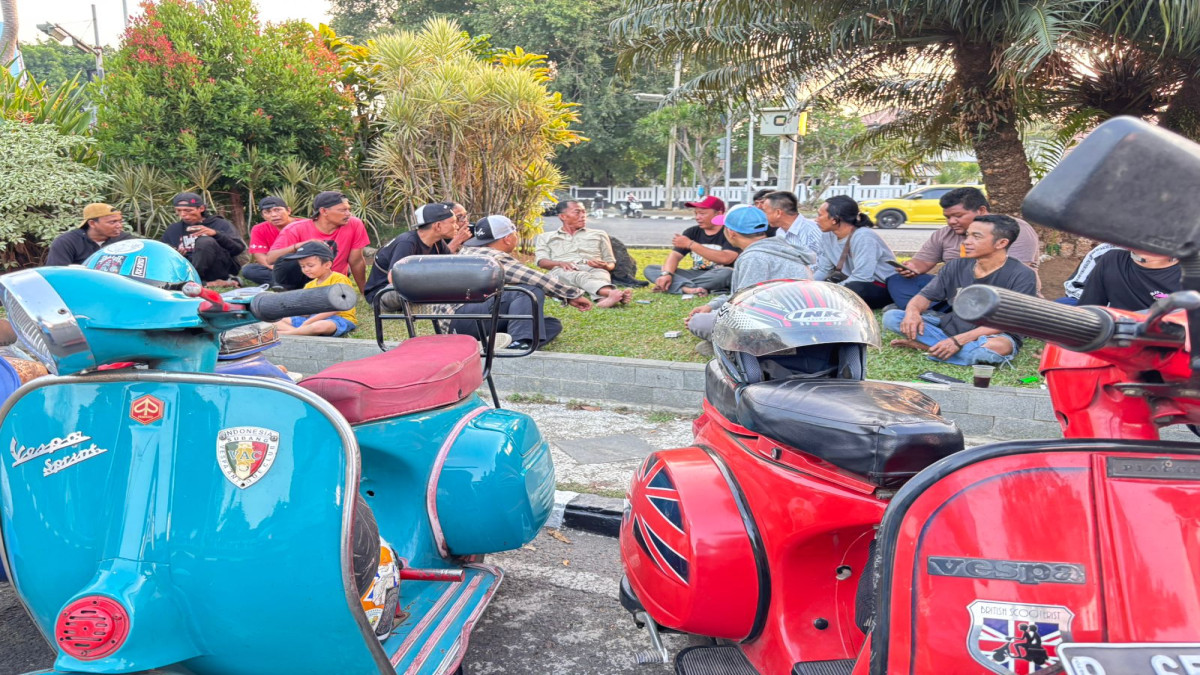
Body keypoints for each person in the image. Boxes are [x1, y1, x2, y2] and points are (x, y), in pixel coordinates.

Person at [883, 214, 1037, 366]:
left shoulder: (1022, 275)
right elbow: (924, 296)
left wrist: (959, 340)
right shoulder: (956, 266)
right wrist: (912, 312)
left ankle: (930, 347)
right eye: (967, 235)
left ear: (1001, 243)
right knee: (892, 317)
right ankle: (947, 348)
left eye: (976, 237)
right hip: (952, 327)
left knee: (989, 352)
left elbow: (1009, 323)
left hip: (993, 335)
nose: (967, 242)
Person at [451, 215, 594, 351]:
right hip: (466, 321)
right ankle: (518, 344)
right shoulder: (492, 257)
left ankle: (493, 342)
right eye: (515, 234)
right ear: (507, 239)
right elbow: (534, 278)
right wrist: (572, 295)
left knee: (550, 325)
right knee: (530, 290)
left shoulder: (469, 250)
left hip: (460, 322)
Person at [886, 187, 1041, 309]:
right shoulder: (944, 234)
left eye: (958, 216)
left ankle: (936, 313)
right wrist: (912, 267)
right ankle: (939, 311)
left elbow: (1017, 276)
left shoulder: (1013, 229)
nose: (951, 222)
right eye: (947, 217)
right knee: (898, 281)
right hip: (955, 293)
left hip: (997, 295)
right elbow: (922, 262)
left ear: (981, 211)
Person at [686, 206, 814, 348]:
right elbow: (740, 295)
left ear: (731, 232)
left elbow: (745, 306)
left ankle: (742, 346)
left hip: (777, 327)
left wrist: (713, 314)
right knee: (709, 319)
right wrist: (711, 306)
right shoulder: (781, 246)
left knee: (698, 322)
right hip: (799, 321)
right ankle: (729, 343)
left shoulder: (754, 258)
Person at [266, 191, 370, 293]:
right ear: (324, 211)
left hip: (333, 282)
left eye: (348, 209)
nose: (348, 214)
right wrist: (299, 246)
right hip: (304, 281)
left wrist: (365, 292)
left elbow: (356, 261)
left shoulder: (354, 224)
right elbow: (271, 259)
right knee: (291, 260)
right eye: (342, 210)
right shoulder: (295, 229)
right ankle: (288, 292)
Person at [534, 201, 630, 308]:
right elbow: (541, 262)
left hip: (594, 268)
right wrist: (560, 263)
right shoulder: (545, 237)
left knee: (601, 276)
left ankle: (604, 300)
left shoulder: (599, 234)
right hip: (563, 270)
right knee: (580, 276)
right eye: (577, 212)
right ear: (563, 216)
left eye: (584, 212)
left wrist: (604, 266)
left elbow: (610, 263)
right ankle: (611, 293)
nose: (583, 216)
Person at [363, 202, 459, 306]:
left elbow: (452, 268)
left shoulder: (437, 242)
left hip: (412, 289)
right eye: (453, 222)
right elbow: (394, 279)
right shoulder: (407, 242)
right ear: (438, 226)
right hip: (383, 293)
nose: (457, 226)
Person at [644, 195, 741, 295]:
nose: (697, 217)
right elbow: (675, 255)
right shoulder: (692, 232)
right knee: (651, 269)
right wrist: (667, 274)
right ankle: (691, 289)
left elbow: (726, 258)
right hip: (694, 274)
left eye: (702, 213)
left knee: (728, 273)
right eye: (696, 213)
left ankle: (679, 287)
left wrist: (690, 244)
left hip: (718, 274)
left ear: (719, 214)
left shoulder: (730, 232)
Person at [813, 195, 897, 308]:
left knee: (855, 288)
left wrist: (829, 292)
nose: (816, 219)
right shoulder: (827, 235)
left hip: (879, 287)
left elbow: (862, 277)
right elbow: (824, 270)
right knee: (820, 287)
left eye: (820, 215)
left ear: (834, 219)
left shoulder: (864, 237)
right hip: (851, 282)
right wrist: (809, 287)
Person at [161, 192, 246, 285]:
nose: (183, 214)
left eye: (188, 210)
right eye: (178, 210)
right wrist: (176, 253)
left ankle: (192, 281)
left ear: (201, 208)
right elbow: (164, 253)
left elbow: (238, 249)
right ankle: (204, 283)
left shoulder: (220, 224)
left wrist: (215, 234)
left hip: (218, 268)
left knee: (205, 241)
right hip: (188, 268)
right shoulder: (174, 229)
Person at [273, 242, 357, 337]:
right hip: (311, 319)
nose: (306, 269)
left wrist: (308, 322)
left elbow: (337, 308)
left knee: (319, 326)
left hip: (338, 318)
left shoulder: (339, 279)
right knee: (276, 321)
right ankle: (299, 332)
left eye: (310, 265)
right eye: (302, 266)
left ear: (327, 265)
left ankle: (290, 333)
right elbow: (306, 309)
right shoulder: (309, 285)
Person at [1078, 248, 1182, 311]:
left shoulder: (1191, 273)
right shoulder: (1113, 260)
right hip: (1118, 338)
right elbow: (1088, 312)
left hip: (1169, 342)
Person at [45, 203, 134, 266]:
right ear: (92, 223)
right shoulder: (67, 242)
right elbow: (57, 275)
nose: (119, 226)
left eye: (120, 221)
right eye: (112, 222)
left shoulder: (126, 241)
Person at [239, 196, 295, 286]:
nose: (274, 215)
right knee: (249, 270)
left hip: (303, 265)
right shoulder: (259, 229)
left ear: (288, 210)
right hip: (277, 266)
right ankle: (287, 283)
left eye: (277, 210)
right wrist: (273, 268)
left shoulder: (304, 224)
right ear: (263, 216)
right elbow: (259, 254)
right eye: (267, 212)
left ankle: (283, 284)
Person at [761, 191, 821, 266]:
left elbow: (823, 264)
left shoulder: (813, 231)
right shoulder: (780, 232)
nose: (763, 216)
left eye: (765, 212)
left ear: (778, 213)